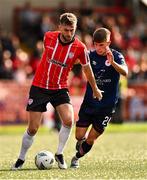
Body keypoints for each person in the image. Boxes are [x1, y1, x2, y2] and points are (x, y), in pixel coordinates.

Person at [12, 13, 103, 170]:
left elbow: (87, 70)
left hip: (59, 87)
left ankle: (59, 153)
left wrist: (95, 88)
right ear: (59, 27)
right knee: (33, 128)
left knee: (68, 120)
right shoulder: (48, 37)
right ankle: (21, 158)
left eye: (72, 30)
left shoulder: (80, 48)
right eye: (66, 29)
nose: (69, 33)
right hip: (39, 86)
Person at [70, 27, 128, 168]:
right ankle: (81, 144)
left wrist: (113, 63)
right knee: (79, 136)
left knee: (90, 139)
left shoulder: (117, 56)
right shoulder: (90, 55)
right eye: (96, 44)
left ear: (108, 43)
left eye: (102, 45)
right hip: (89, 103)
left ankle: (76, 158)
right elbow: (73, 60)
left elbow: (125, 72)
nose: (99, 48)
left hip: (106, 107)